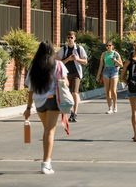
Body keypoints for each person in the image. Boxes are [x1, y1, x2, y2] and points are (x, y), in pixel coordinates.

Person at [24, 41, 69, 175]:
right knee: (50, 131)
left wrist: (28, 108)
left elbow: (31, 89)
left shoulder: (34, 66)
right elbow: (66, 83)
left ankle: (47, 160)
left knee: (47, 130)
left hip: (39, 103)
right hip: (52, 101)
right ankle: (45, 164)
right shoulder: (58, 64)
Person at [57, 31, 88, 122]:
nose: (70, 39)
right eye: (68, 38)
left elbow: (85, 61)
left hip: (76, 73)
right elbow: (59, 62)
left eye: (71, 37)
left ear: (74, 38)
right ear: (66, 39)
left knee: (75, 92)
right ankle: (72, 112)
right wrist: (68, 59)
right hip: (65, 75)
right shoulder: (63, 49)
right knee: (69, 93)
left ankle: (75, 113)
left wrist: (77, 59)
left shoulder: (79, 48)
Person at [96, 40, 123, 114]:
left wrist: (115, 61)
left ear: (112, 46)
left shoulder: (116, 54)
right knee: (108, 91)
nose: (108, 47)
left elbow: (121, 65)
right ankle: (110, 108)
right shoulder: (104, 54)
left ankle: (115, 105)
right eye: (107, 45)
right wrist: (98, 75)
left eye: (110, 45)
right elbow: (101, 65)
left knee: (113, 90)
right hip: (106, 70)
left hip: (114, 71)